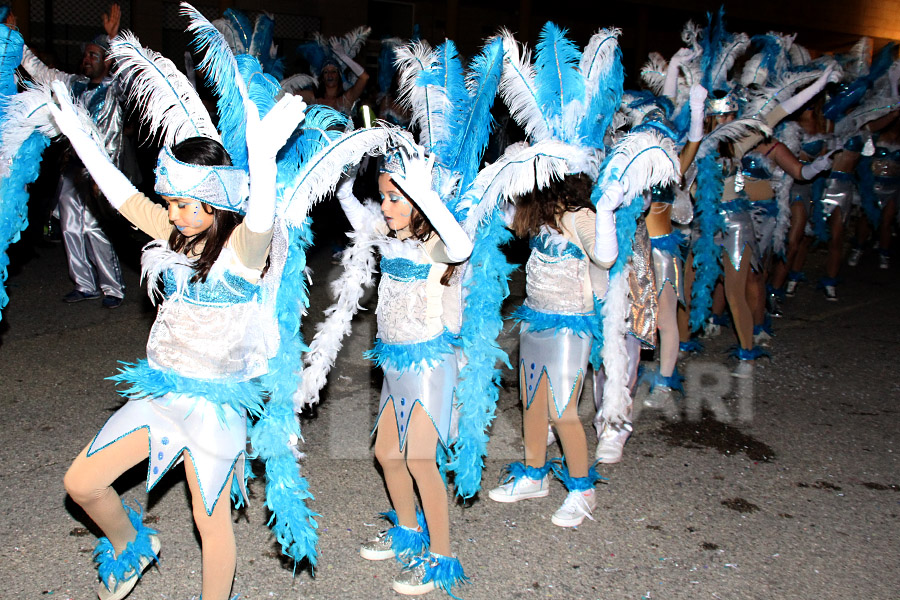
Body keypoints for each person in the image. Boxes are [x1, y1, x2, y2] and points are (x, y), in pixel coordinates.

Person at [47, 69, 306, 600]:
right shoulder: (173, 232)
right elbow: (121, 196)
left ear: (217, 201)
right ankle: (130, 548)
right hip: (161, 393)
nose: (173, 213)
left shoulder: (243, 252)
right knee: (81, 483)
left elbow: (260, 215)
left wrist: (261, 160)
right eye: (170, 202)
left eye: (185, 204)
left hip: (215, 410)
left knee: (210, 523)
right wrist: (79, 137)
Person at [336, 146, 472, 596]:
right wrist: (346, 171)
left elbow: (462, 245)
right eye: (383, 197)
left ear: (419, 199)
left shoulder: (437, 243)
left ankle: (442, 555)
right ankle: (409, 531)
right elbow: (355, 212)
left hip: (430, 363)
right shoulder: (390, 231)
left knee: (420, 459)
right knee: (387, 455)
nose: (385, 207)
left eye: (396, 198)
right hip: (393, 360)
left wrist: (425, 195)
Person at [488, 174, 618, 526]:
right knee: (531, 405)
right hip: (535, 320)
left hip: (569, 328)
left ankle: (582, 490)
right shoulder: (541, 217)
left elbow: (605, 258)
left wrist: (605, 210)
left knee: (562, 412)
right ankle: (534, 475)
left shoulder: (580, 216)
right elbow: (499, 215)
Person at [18, 3, 131, 308]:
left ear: (108, 61)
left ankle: (112, 288)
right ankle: (84, 284)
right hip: (73, 169)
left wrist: (116, 39)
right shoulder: (75, 85)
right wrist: (18, 40)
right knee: (69, 226)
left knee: (94, 228)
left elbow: (133, 71)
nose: (87, 60)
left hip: (102, 173)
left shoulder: (116, 89)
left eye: (94, 55)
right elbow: (41, 71)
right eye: (86, 55)